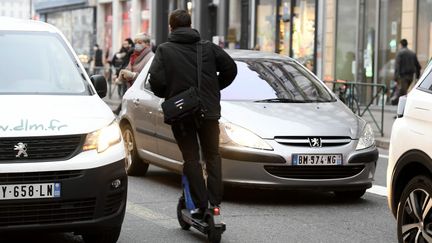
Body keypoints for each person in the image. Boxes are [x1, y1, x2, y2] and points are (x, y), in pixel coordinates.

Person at [148, 9, 237, 216]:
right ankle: (215, 203)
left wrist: (169, 94)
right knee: (213, 156)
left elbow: (156, 81)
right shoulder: (207, 48)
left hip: (182, 114)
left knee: (191, 159)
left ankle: (200, 203)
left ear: (171, 27)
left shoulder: (164, 50)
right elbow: (230, 69)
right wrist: (213, 89)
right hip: (209, 111)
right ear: (190, 24)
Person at [113, 33, 154, 115]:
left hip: (142, 96)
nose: (136, 44)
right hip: (131, 92)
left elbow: (149, 78)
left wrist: (133, 75)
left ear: (147, 44)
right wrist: (122, 75)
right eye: (135, 42)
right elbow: (128, 67)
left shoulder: (151, 57)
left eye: (139, 42)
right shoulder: (134, 56)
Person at [393, 39, 421, 105]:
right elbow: (418, 66)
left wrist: (396, 77)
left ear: (401, 44)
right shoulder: (412, 53)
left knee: (403, 92)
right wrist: (417, 76)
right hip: (411, 76)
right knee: (404, 91)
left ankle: (402, 108)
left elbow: (397, 66)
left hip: (403, 76)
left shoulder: (400, 53)